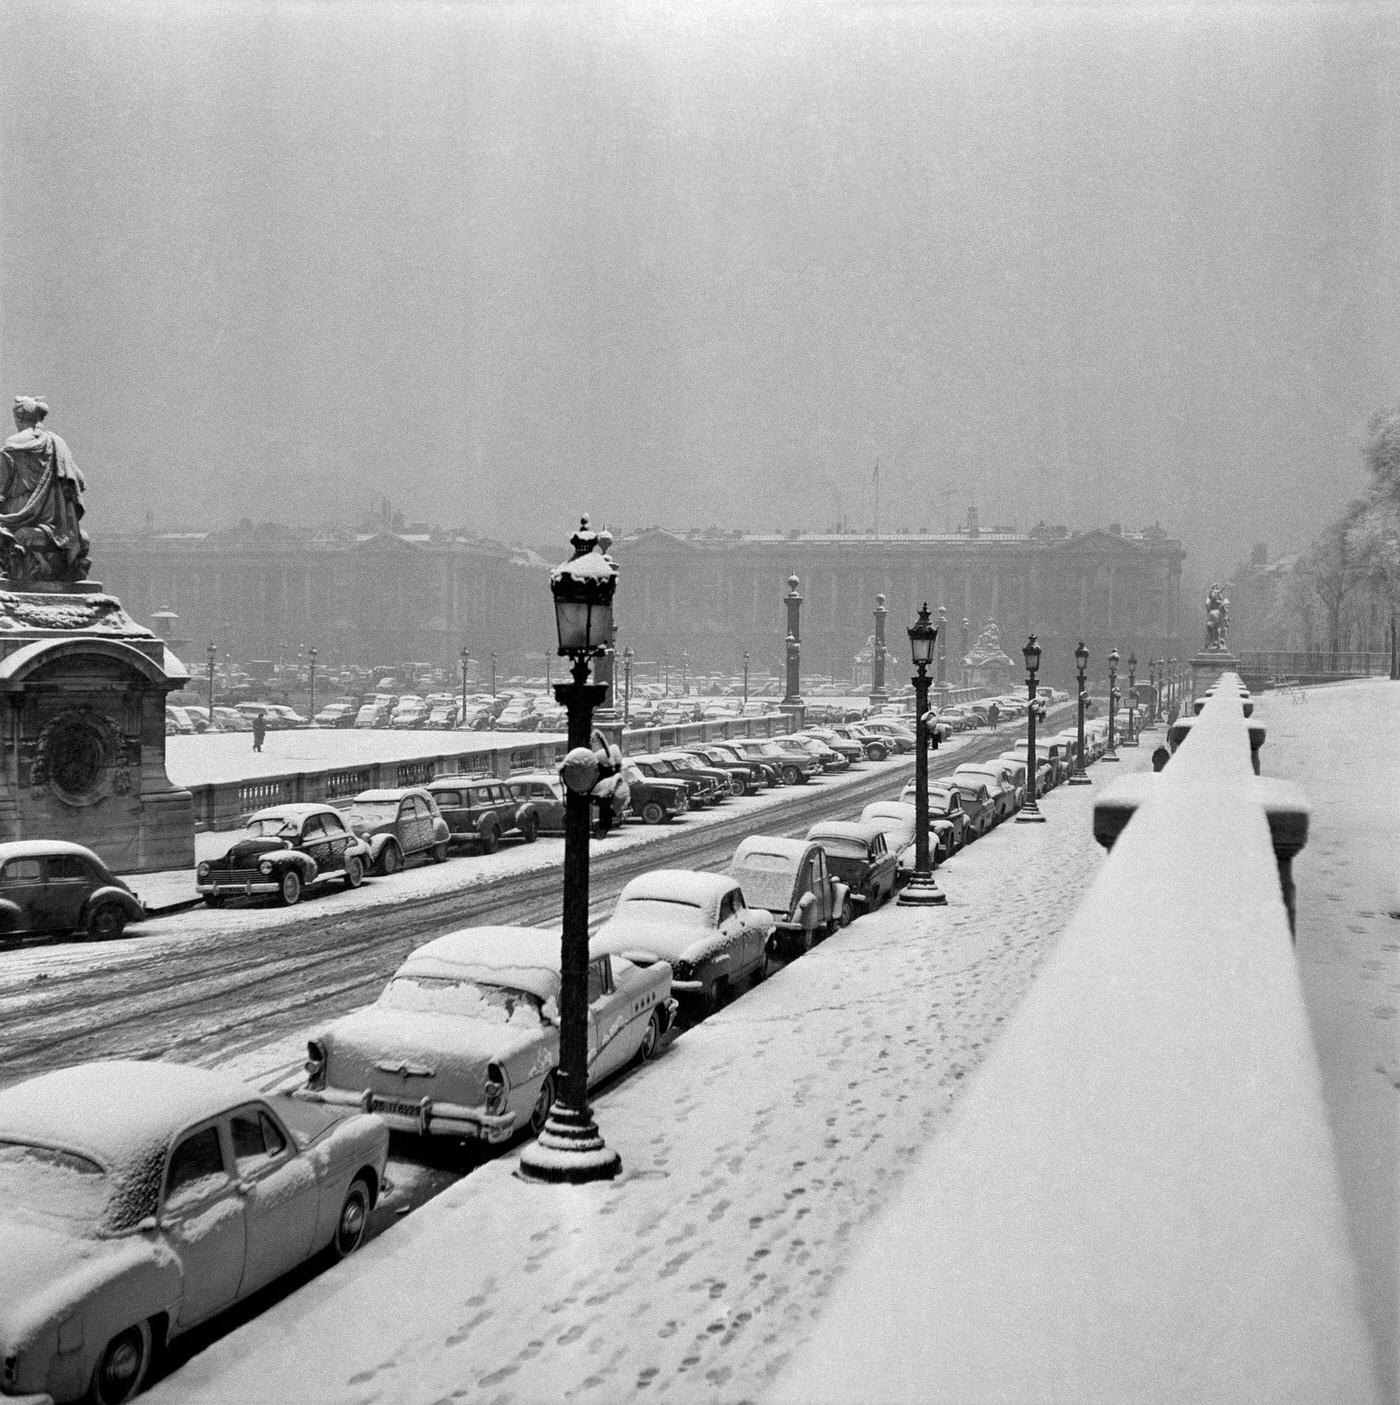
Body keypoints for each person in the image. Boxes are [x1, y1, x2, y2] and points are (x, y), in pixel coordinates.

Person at [0, 395, 90, 584]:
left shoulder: (12, 447)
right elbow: (79, 481)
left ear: (20, 418)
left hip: (20, 530)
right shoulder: (58, 445)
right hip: (62, 533)